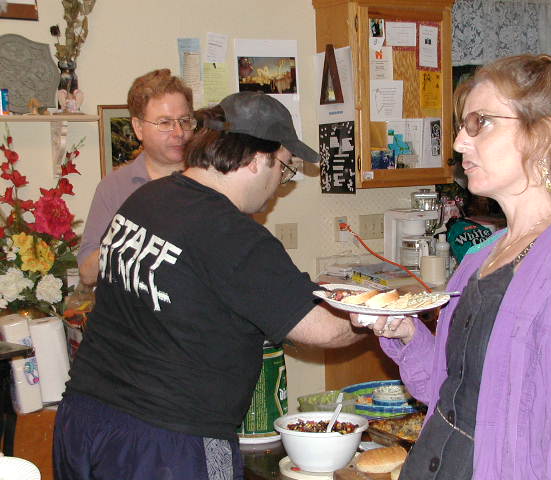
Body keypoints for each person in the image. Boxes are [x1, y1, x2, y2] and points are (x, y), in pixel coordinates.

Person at [53, 91, 366, 480]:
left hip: (84, 420)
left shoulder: (145, 199)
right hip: (168, 443)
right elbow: (326, 329)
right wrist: (384, 314)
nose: (279, 185)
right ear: (257, 159)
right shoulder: (233, 234)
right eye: (284, 170)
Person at [356, 54, 551, 479]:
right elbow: (453, 393)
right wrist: (410, 333)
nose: (458, 143)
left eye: (480, 123)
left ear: (541, 136)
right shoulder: (479, 257)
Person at [77, 68, 195, 286]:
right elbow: (87, 273)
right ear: (138, 128)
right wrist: (135, 236)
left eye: (185, 120)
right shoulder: (114, 187)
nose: (179, 132)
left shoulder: (214, 178)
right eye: (165, 123)